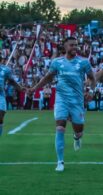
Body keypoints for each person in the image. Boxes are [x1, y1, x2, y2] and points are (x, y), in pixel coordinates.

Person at [27, 36, 96, 172]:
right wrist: (35, 88)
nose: (74, 47)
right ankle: (60, 162)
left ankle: (76, 137)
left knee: (79, 130)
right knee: (60, 127)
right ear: (65, 47)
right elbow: (48, 78)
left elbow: (92, 79)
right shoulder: (57, 62)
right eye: (71, 45)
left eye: (76, 45)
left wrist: (91, 91)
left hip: (77, 101)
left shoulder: (84, 63)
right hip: (61, 99)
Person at [0, 57, 25, 136]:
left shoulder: (6, 70)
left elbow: (11, 81)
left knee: (0, 117)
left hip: (1, 96)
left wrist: (20, 88)